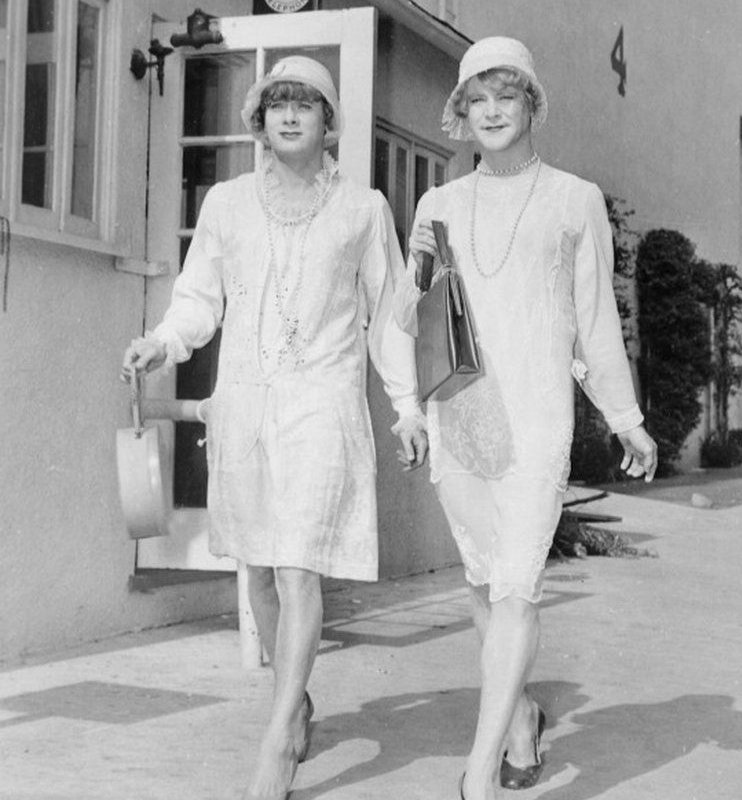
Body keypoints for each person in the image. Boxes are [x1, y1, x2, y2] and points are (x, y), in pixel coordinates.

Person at [120, 56, 426, 800]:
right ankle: (297, 703)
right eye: (277, 104)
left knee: (297, 569)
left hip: (322, 403)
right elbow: (199, 298)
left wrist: (407, 404)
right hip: (247, 406)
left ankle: (280, 739)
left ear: (329, 122)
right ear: (260, 121)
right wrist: (163, 342)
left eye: (306, 104)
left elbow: (389, 317)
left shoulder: (363, 209)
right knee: (257, 569)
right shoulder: (227, 204)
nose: (290, 115)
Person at [393, 37, 658, 800]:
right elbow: (406, 317)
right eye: (476, 99)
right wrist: (415, 272)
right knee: (483, 584)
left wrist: (624, 415)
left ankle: (477, 774)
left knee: (516, 587)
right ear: (461, 113)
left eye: (506, 95)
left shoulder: (575, 198)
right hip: (461, 414)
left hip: (538, 416)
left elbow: (594, 318)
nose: (492, 111)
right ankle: (519, 722)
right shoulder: (439, 205)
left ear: (531, 104)